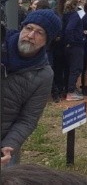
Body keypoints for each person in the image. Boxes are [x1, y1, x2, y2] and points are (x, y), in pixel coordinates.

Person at [1, 10, 61, 166]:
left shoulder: (44, 75)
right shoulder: (2, 44)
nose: (30, 35)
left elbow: (28, 119)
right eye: (28, 28)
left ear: (46, 41)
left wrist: (9, 145)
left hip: (4, 141)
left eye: (39, 32)